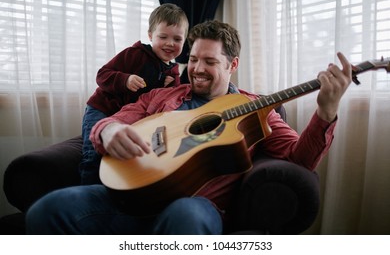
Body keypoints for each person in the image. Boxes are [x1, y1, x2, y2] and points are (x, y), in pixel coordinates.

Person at [26, 20, 352, 234]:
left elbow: (300, 159)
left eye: (209, 61)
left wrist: (326, 111)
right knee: (46, 210)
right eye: (194, 59)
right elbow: (115, 119)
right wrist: (108, 132)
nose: (196, 69)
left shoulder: (259, 111)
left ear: (232, 65)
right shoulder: (161, 95)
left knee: (185, 215)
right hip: (130, 199)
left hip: (195, 207)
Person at [80, 3, 189, 185]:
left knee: (122, 157)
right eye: (163, 37)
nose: (170, 43)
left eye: (177, 39)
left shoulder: (174, 71)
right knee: (93, 154)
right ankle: (85, 194)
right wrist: (125, 79)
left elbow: (170, 100)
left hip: (128, 118)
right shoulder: (134, 54)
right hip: (102, 109)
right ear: (150, 35)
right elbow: (102, 75)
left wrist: (171, 86)